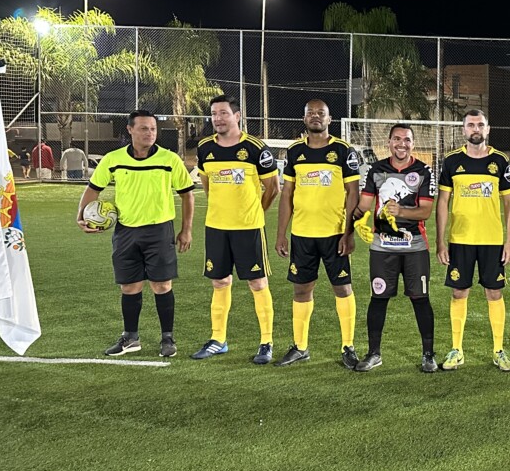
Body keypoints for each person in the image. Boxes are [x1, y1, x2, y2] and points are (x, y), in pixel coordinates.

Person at [77, 110, 194, 357]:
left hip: (159, 230)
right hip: (126, 231)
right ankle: (131, 338)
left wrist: (186, 230)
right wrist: (81, 216)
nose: (149, 133)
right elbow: (93, 189)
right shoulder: (114, 159)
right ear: (130, 130)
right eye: (143, 128)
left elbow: (187, 194)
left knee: (162, 285)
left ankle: (167, 338)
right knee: (129, 287)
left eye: (153, 129)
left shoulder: (169, 159)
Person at [191, 95, 279, 363]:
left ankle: (266, 342)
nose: (217, 118)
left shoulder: (255, 148)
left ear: (237, 116)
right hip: (216, 227)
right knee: (219, 281)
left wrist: (255, 212)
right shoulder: (205, 148)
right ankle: (218, 339)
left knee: (257, 282)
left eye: (223, 113)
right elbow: (207, 185)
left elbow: (272, 188)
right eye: (214, 114)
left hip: (248, 228)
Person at [273, 100, 361, 368]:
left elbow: (353, 193)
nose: (315, 116)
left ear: (329, 119)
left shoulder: (343, 151)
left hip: (334, 234)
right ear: (304, 119)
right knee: (301, 289)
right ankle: (300, 346)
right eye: (310, 113)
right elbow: (287, 194)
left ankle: (348, 346)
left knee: (342, 288)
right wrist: (281, 234)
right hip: (302, 235)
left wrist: (348, 232)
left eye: (320, 113)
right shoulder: (294, 152)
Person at [351, 123, 439, 373]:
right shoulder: (376, 170)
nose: (402, 144)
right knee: (378, 298)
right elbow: (364, 205)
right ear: (389, 142)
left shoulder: (423, 171)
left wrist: (401, 211)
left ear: (413, 144)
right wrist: (352, 224)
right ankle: (374, 353)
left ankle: (428, 355)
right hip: (383, 247)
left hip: (415, 246)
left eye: (407, 140)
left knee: (420, 299)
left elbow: (426, 211)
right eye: (397, 139)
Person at [435, 109, 510, 372]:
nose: (476, 129)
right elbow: (443, 202)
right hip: (460, 239)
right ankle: (456, 350)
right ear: (463, 130)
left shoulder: (500, 161)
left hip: (492, 240)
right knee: (459, 292)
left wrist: (509, 242)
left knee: (494, 292)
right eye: (471, 125)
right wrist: (440, 242)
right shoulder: (451, 161)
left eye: (480, 124)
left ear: (487, 129)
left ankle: (498, 350)